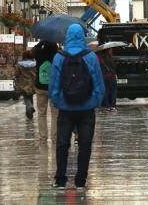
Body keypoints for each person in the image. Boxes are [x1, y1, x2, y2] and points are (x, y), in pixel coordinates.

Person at [49, 23, 104, 190]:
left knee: (62, 143)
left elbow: (53, 85)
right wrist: (94, 101)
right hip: (86, 109)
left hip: (66, 109)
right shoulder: (90, 57)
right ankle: (81, 180)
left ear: (67, 37)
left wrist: (59, 102)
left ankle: (60, 179)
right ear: (82, 36)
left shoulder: (59, 57)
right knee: (85, 144)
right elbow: (99, 84)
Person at [33, 41, 59, 143]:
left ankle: (43, 138)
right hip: (54, 87)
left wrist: (41, 42)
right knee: (55, 114)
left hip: (40, 86)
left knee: (41, 113)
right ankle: (55, 138)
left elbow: (33, 50)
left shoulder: (38, 53)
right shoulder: (57, 55)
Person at [15, 49, 36, 119]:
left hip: (23, 83)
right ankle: (29, 114)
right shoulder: (34, 64)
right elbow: (36, 72)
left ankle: (30, 107)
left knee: (26, 97)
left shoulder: (20, 64)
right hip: (32, 82)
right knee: (31, 97)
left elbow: (17, 74)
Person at [97, 47, 117, 111]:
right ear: (107, 50)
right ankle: (112, 105)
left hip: (104, 77)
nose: (112, 51)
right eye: (110, 50)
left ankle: (107, 105)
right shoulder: (110, 58)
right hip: (111, 77)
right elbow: (114, 67)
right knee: (113, 91)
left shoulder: (100, 58)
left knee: (106, 91)